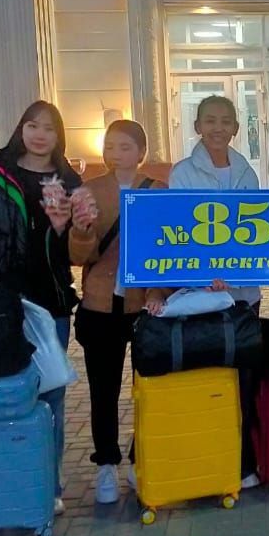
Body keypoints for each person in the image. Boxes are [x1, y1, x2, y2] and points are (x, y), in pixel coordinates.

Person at [0, 101, 82, 515]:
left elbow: (79, 245)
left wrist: (68, 228)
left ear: (59, 136)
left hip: (51, 305)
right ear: (21, 129)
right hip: (1, 309)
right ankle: (7, 479)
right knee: (2, 393)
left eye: (49, 128)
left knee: (51, 395)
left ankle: (49, 483)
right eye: (32, 126)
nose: (40, 135)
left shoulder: (69, 180)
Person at [168, 95, 269, 490]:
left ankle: (243, 462)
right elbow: (181, 230)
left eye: (225, 121)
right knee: (207, 379)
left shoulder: (245, 172)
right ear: (197, 127)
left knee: (244, 378)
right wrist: (206, 274)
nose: (218, 128)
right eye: (210, 121)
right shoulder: (182, 173)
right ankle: (207, 459)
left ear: (236, 129)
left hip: (243, 296)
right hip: (202, 295)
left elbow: (254, 230)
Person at [68, 120, 161, 504]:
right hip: (100, 305)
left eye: (125, 147)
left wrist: (158, 292)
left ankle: (142, 461)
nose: (116, 154)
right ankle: (106, 463)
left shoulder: (158, 191)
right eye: (110, 146)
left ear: (141, 152)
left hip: (144, 308)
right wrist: (81, 230)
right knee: (103, 390)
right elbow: (79, 256)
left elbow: (166, 252)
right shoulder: (89, 191)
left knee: (148, 389)